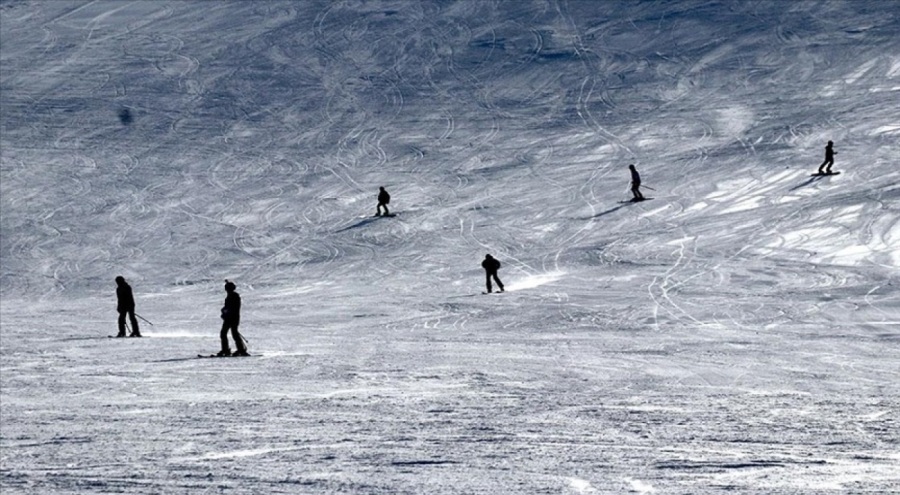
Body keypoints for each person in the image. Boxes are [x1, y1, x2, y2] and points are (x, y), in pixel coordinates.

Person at [219, 280, 248, 356]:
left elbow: (232, 308)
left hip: (232, 318)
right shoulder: (232, 296)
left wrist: (225, 312)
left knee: (228, 333)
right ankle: (238, 349)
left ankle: (234, 350)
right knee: (231, 333)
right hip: (231, 318)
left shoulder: (233, 296)